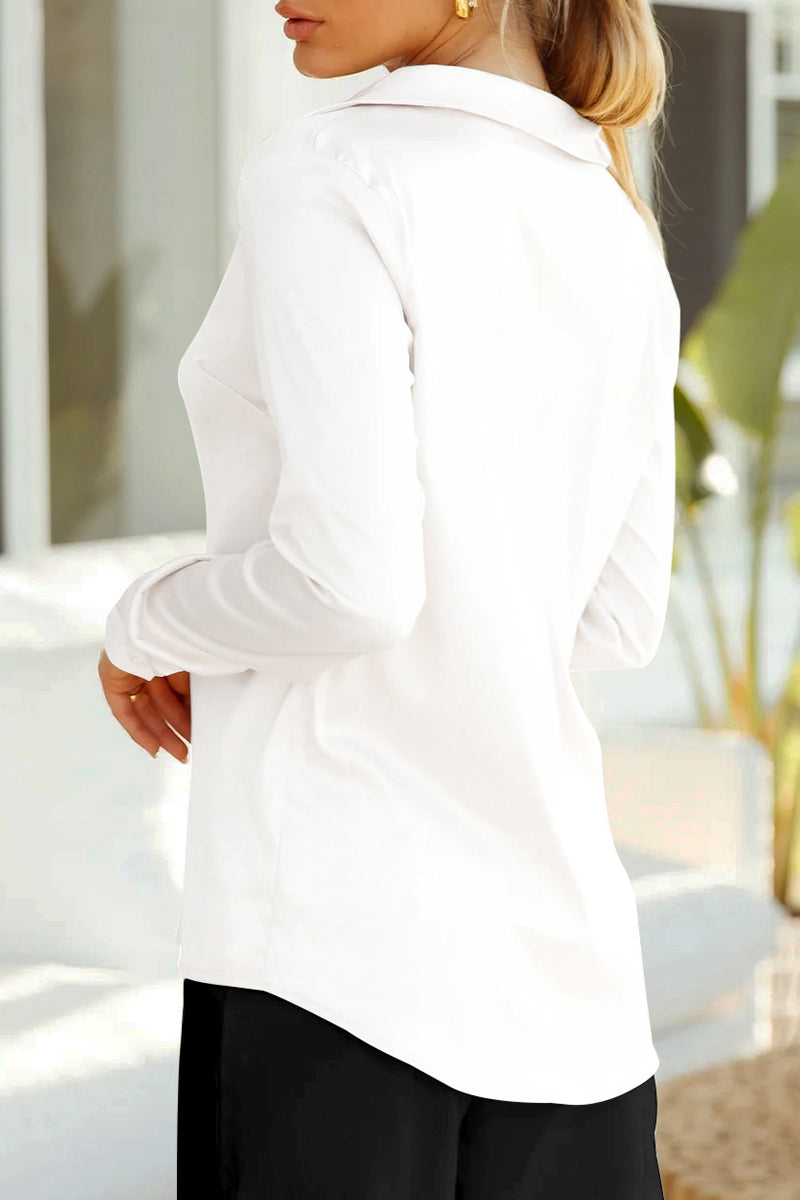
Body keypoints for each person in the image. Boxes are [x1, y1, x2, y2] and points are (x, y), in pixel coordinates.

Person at [98, 0, 679, 1195]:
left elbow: (346, 586)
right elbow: (616, 617)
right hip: (567, 983)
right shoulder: (609, 216)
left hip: (331, 960)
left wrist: (140, 622)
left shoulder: (331, 171)